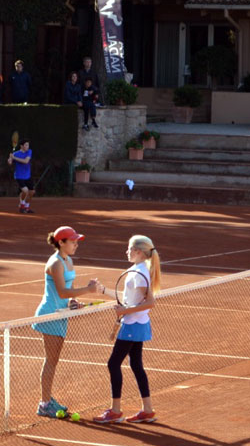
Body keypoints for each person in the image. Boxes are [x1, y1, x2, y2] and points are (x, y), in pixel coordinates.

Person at [93, 234, 162, 424]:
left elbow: (150, 302)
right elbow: (127, 296)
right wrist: (104, 290)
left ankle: (115, 410)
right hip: (136, 323)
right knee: (136, 365)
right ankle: (147, 410)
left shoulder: (140, 273)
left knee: (113, 364)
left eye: (129, 248)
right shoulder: (137, 270)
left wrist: (126, 311)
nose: (127, 251)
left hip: (133, 324)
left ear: (138, 251)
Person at [32, 226, 99, 418]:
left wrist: (72, 302)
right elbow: (61, 291)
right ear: (61, 243)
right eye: (72, 241)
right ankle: (44, 404)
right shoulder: (56, 263)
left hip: (62, 313)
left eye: (76, 241)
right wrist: (87, 290)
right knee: (51, 361)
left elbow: (66, 294)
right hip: (50, 314)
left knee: (54, 360)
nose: (76, 244)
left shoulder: (67, 260)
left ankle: (47, 399)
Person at [8, 139, 35, 214]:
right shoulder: (16, 153)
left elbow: (26, 161)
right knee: (25, 191)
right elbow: (10, 162)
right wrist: (10, 159)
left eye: (28, 145)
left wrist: (14, 158)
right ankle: (22, 205)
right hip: (19, 176)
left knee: (32, 192)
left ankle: (27, 206)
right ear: (21, 146)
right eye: (26, 145)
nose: (27, 146)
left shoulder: (29, 151)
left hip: (27, 175)